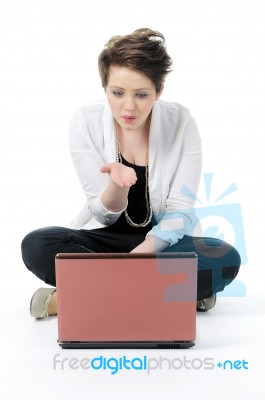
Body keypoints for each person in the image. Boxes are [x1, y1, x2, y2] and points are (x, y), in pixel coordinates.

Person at [21, 28, 241, 319]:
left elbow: (180, 212)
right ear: (105, 88)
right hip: (104, 243)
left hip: (161, 244)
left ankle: (75, 298)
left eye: (141, 94)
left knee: (224, 258)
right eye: (117, 93)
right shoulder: (84, 122)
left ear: (158, 91)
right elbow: (102, 213)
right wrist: (116, 185)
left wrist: (137, 258)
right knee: (37, 243)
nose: (128, 107)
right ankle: (165, 297)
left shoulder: (182, 123)